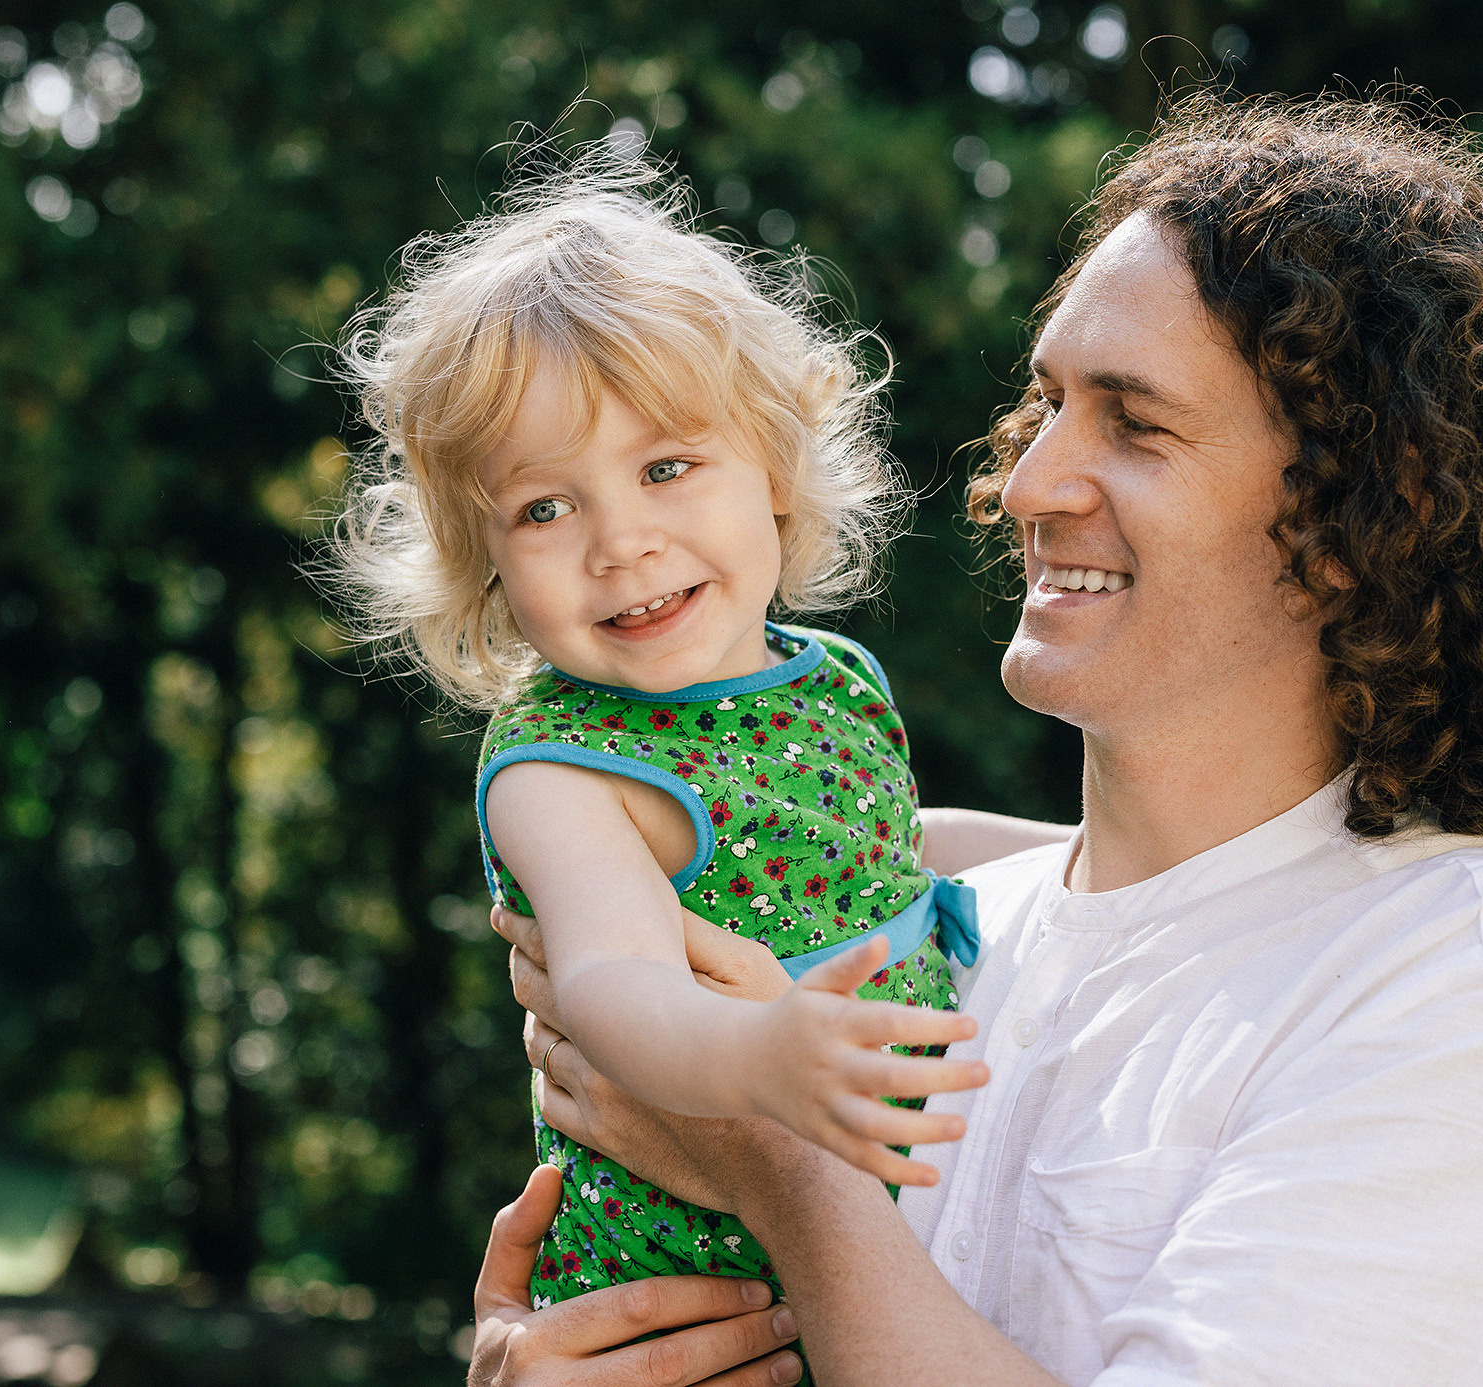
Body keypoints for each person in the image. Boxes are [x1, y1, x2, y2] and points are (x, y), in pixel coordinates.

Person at [471, 92, 1483, 1387]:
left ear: (1366, 506)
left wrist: (775, 1166)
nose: (1030, 480)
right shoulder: (919, 936)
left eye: (1134, 422)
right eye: (1046, 405)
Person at [327, 170, 989, 1316]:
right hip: (684, 1295)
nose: (620, 540)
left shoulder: (831, 679)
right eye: (543, 508)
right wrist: (756, 1057)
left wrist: (1101, 852)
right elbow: (610, 982)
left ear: (774, 468)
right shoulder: (561, 769)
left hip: (886, 1261)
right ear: (479, 559)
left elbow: (897, 846)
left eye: (665, 467)